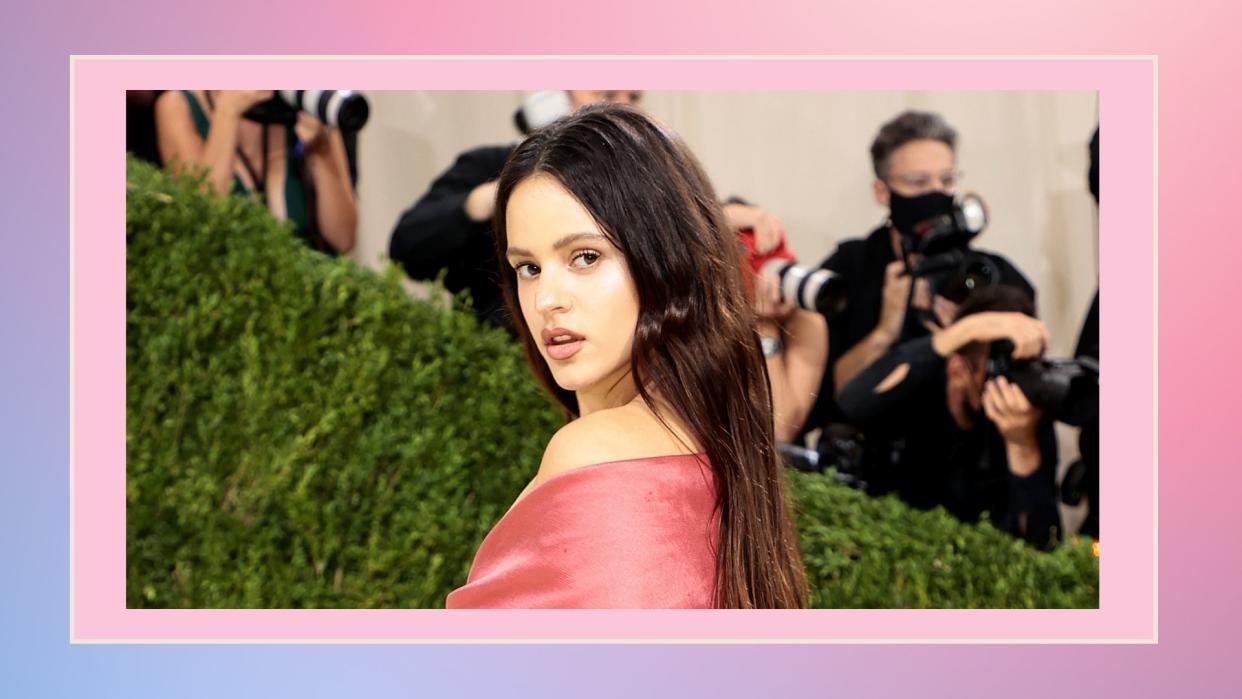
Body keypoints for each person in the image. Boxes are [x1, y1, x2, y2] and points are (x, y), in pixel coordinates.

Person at [445, 104, 808, 608]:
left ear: (663, 261)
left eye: (585, 257)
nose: (547, 298)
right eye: (527, 267)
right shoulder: (719, 443)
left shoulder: (593, 452)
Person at [389, 90, 792, 330]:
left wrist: (713, 219)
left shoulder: (651, 184)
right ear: (550, 97)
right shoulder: (486, 168)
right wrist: (498, 195)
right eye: (528, 268)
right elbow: (408, 246)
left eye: (632, 97)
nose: (622, 108)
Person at [801, 110, 1037, 436]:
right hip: (872, 465)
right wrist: (886, 328)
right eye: (919, 183)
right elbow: (832, 396)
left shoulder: (993, 273)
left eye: (947, 180)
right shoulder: (848, 269)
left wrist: (969, 338)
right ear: (882, 192)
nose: (936, 194)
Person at [837, 285, 1062, 547]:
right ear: (957, 369)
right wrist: (965, 331)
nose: (1011, 382)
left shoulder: (1026, 415)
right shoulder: (919, 391)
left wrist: (1022, 446)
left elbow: (1044, 545)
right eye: (998, 367)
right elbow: (852, 403)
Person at [155, 90, 357, 254]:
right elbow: (201, 226)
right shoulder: (177, 105)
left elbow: (344, 238)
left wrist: (321, 150)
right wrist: (227, 113)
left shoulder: (303, 102)